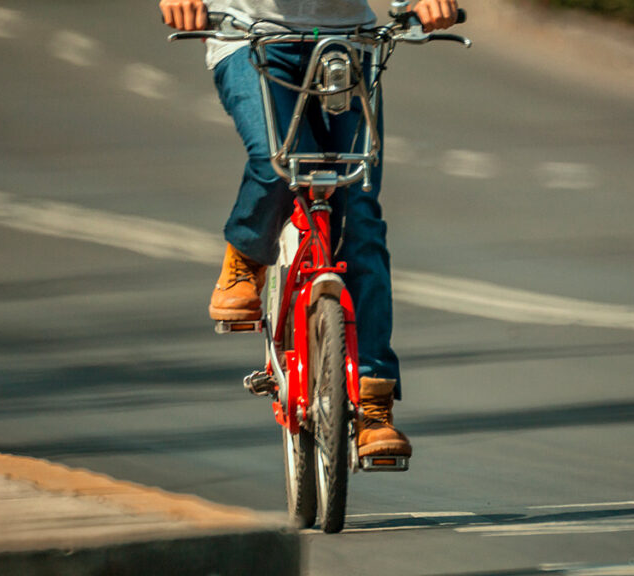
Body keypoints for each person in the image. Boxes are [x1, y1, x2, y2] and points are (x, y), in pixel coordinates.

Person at [161, 0, 458, 460]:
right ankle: (246, 257)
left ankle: (374, 405)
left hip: (349, 43)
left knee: (359, 215)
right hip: (250, 35)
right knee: (276, 164)